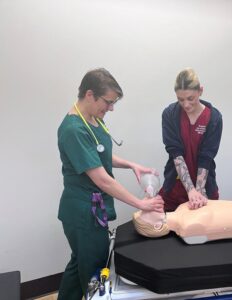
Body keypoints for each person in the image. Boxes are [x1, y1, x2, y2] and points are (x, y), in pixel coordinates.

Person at [57, 68, 164, 300]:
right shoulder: (73, 130)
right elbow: (101, 178)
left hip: (93, 208)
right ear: (89, 94)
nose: (111, 108)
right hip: (83, 212)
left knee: (79, 265)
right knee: (91, 272)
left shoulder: (93, 119)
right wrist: (141, 204)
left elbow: (101, 155)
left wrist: (132, 165)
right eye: (108, 102)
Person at [159, 68, 223, 212]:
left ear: (200, 91)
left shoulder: (214, 118)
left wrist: (198, 192)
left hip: (204, 186)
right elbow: (176, 153)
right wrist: (190, 190)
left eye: (190, 98)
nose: (186, 104)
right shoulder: (170, 114)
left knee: (204, 229)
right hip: (175, 188)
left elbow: (206, 157)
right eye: (180, 99)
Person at [133, 200, 232, 244]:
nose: (144, 208)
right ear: (157, 226)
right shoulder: (187, 228)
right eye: (144, 213)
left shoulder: (180, 207)